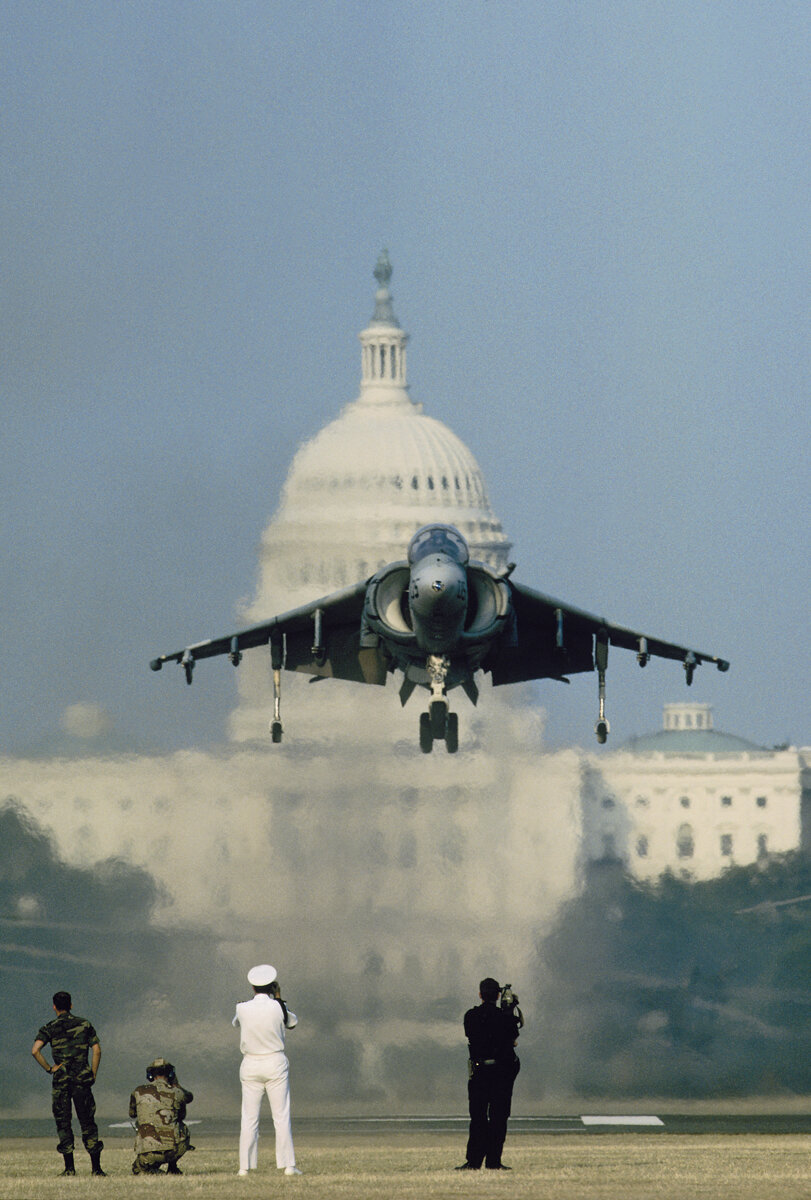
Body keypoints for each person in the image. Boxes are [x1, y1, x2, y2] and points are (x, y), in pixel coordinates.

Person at [232, 963, 301, 1177]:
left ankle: (245, 1166)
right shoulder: (278, 1007)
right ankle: (288, 1165)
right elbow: (292, 1023)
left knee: (249, 1117)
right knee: (281, 1116)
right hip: (274, 1062)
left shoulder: (241, 1008)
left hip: (250, 1063)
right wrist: (279, 998)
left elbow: (236, 1024)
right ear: (272, 986)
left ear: (252, 987)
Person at [31, 990, 106, 1177]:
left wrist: (50, 1068)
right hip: (82, 1079)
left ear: (54, 1006)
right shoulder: (84, 1024)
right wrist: (93, 1074)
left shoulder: (49, 1027)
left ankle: (69, 1168)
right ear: (71, 1005)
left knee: (64, 1123)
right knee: (88, 1122)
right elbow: (97, 1050)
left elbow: (35, 1051)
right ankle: (96, 1169)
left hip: (61, 1081)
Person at [456, 977, 521, 1171]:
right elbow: (513, 1036)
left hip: (479, 1073)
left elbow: (471, 1034)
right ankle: (494, 1161)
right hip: (501, 1073)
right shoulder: (505, 1017)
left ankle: (474, 1161)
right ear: (498, 995)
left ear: (480, 995)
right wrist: (508, 1010)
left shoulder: (471, 1016)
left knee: (478, 1118)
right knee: (499, 1118)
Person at [129, 1057, 195, 1175]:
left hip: (148, 1152)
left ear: (150, 1075)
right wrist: (177, 1085)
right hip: (174, 1150)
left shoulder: (138, 1091)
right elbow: (188, 1099)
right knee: (181, 1127)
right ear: (170, 1074)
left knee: (137, 1169)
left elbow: (132, 1114)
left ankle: (156, 1171)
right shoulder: (177, 1092)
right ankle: (172, 1167)